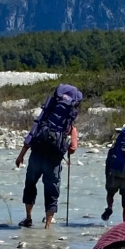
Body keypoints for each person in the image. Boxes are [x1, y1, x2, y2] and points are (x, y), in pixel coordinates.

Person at [14, 82, 83, 227]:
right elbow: (73, 145)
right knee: (52, 191)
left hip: (37, 154)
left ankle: (28, 218)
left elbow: (32, 133)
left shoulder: (47, 114)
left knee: (30, 185)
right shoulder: (69, 120)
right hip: (54, 158)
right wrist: (70, 148)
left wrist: (21, 155)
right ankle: (48, 226)